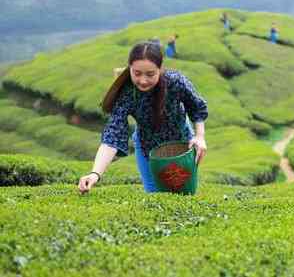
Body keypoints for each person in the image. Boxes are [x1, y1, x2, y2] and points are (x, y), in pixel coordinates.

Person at [78, 39, 208, 194]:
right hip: (148, 147)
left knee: (185, 192)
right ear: (130, 69)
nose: (143, 80)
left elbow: (196, 106)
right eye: (137, 73)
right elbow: (112, 136)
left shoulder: (175, 81)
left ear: (160, 69)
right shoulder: (126, 94)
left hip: (182, 142)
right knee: (155, 194)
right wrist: (95, 174)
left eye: (150, 74)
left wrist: (200, 137)